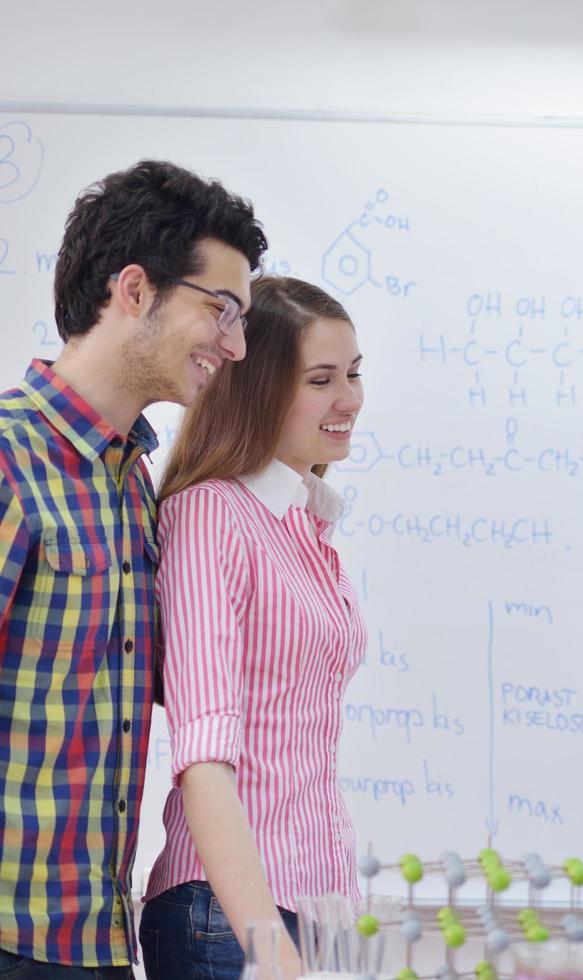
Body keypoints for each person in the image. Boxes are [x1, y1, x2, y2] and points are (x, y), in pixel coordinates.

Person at [0, 160, 264, 976]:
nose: (237, 344)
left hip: (96, 939)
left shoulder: (133, 481)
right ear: (136, 289)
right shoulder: (11, 458)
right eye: (221, 310)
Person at [138, 276, 367, 980]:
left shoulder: (305, 526)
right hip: (231, 918)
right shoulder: (212, 515)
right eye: (322, 379)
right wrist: (272, 952)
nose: (350, 399)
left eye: (355, 374)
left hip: (310, 910)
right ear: (258, 387)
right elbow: (204, 755)